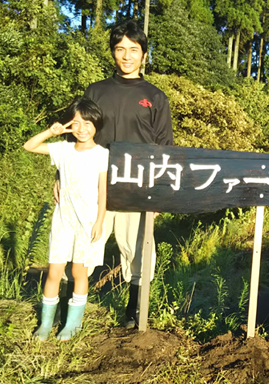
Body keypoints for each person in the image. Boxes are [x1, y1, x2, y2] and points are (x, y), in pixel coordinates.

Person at [55, 20, 174, 328]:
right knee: (82, 248)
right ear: (112, 52)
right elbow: (77, 134)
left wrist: (160, 191)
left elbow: (164, 148)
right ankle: (70, 316)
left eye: (134, 50)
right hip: (94, 185)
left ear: (144, 55)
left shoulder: (156, 97)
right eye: (120, 49)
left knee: (137, 252)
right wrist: (61, 177)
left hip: (138, 186)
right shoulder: (96, 91)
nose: (127, 55)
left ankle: (133, 314)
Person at [25, 98, 109, 341]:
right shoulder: (62, 149)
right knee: (54, 272)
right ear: (69, 124)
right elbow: (29, 146)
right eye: (76, 123)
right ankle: (45, 323)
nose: (82, 128)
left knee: (79, 272)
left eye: (88, 123)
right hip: (63, 221)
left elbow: (103, 192)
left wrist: (99, 221)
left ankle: (73, 324)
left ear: (97, 125)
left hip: (87, 222)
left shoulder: (101, 154)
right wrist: (52, 131)